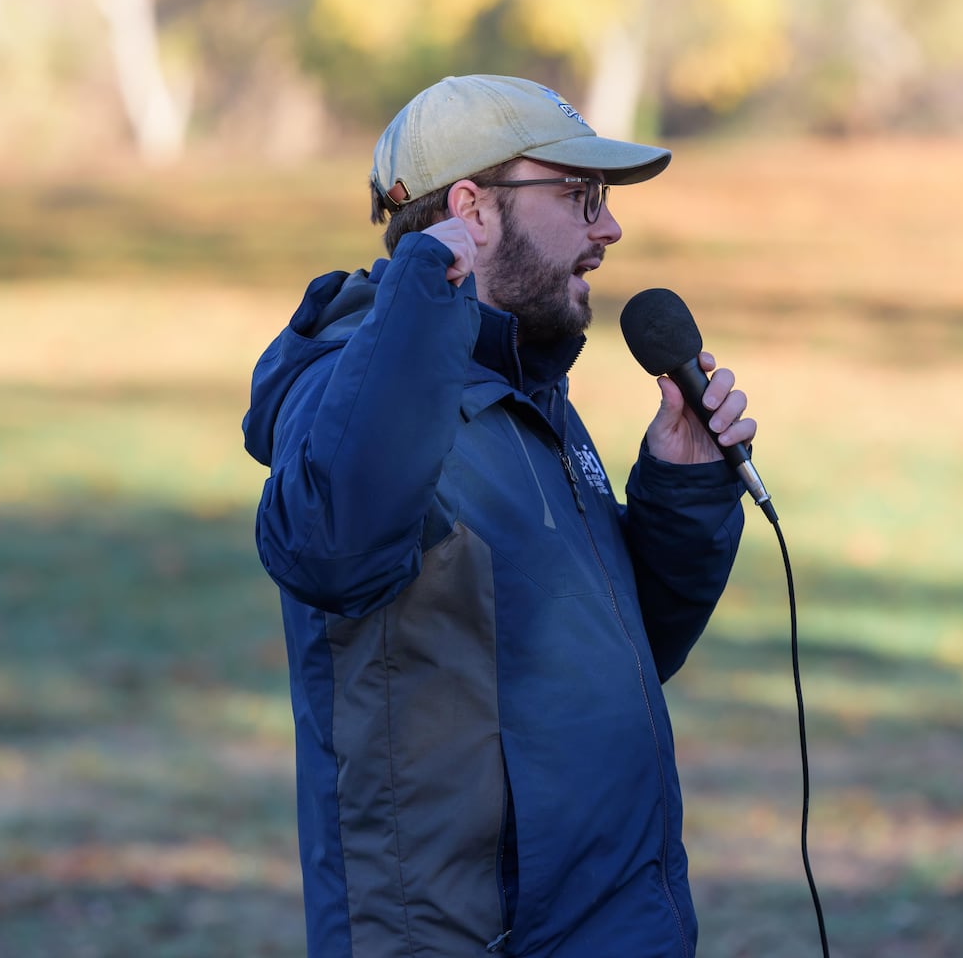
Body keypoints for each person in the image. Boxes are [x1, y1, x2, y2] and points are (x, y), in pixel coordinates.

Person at [243, 74, 756, 958]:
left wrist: (683, 490)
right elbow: (333, 550)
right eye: (579, 195)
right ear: (473, 210)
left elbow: (610, 656)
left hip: (618, 921)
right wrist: (421, 293)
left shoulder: (529, 394)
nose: (609, 229)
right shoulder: (346, 389)